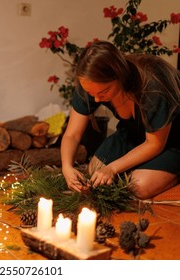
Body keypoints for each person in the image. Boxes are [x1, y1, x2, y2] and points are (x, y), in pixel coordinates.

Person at [60, 40, 180, 199]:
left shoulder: (152, 84)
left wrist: (113, 168)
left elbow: (154, 143)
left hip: (171, 138)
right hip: (131, 133)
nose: (96, 99)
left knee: (137, 187)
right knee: (94, 171)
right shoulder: (90, 83)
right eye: (90, 93)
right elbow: (72, 134)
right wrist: (66, 166)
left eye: (103, 91)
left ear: (119, 76)